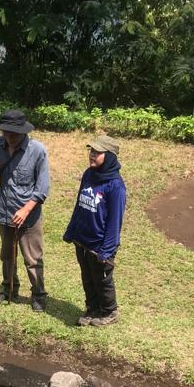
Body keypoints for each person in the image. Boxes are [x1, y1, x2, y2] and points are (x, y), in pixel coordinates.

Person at [0, 109, 51, 312]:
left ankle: (38, 294)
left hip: (29, 216)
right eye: (5, 132)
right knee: (7, 256)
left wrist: (26, 210)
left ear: (23, 132)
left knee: (32, 259)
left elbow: (42, 188)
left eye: (13, 133)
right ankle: (9, 289)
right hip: (4, 211)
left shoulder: (37, 150)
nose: (8, 137)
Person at [63, 135, 127, 326]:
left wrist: (106, 250)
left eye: (97, 152)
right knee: (88, 277)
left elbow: (115, 221)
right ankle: (92, 308)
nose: (92, 155)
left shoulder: (116, 186)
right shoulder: (88, 175)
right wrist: (72, 230)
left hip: (100, 245)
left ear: (109, 156)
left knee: (102, 279)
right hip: (82, 239)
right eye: (91, 151)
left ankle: (109, 311)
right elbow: (79, 205)